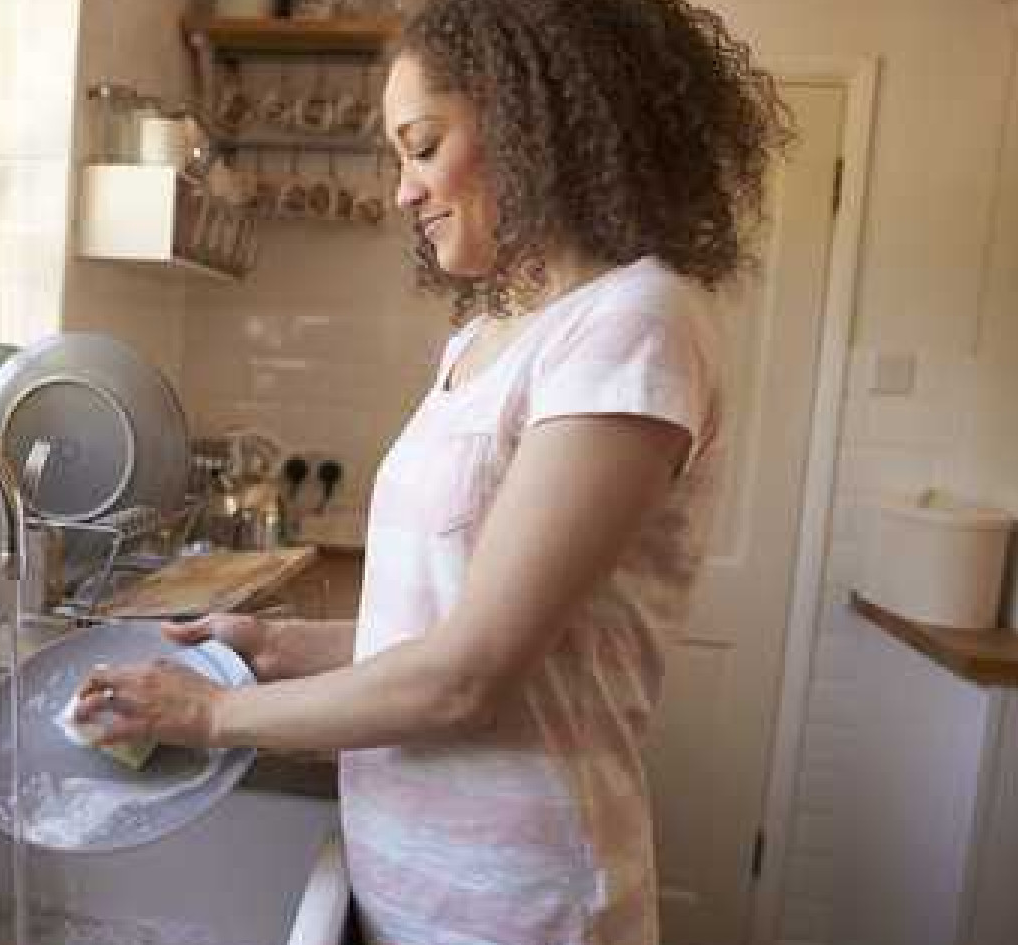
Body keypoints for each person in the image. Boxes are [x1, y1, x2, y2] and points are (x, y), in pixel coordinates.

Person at [76, 1, 789, 942]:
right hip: (404, 890)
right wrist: (270, 645)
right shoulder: (481, 340)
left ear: (531, 127)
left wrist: (214, 713)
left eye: (422, 145)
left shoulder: (634, 325)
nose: (403, 191)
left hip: (522, 908)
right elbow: (431, 624)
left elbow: (469, 675)